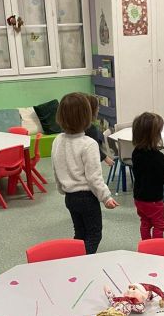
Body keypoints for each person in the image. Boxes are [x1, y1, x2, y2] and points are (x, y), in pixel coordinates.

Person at [51, 92, 119, 254]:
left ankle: (75, 261)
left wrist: (62, 188)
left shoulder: (57, 140)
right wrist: (106, 197)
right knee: (94, 235)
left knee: (80, 234)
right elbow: (94, 177)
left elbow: (56, 168)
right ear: (87, 116)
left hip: (70, 197)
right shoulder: (88, 144)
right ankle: (83, 264)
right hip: (87, 199)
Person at [131, 112, 164, 239]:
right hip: (154, 199)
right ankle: (156, 249)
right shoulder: (158, 157)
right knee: (159, 225)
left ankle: (145, 246)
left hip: (139, 197)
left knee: (145, 222)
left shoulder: (136, 152)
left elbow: (144, 172)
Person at [82, 93, 114, 169]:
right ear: (91, 110)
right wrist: (106, 158)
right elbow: (95, 149)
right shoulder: (90, 129)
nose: (99, 109)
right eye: (97, 107)